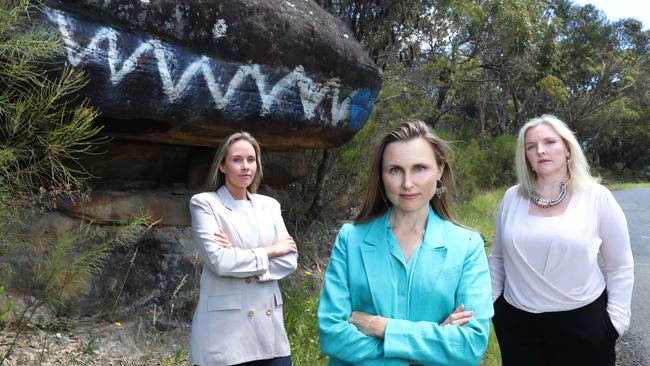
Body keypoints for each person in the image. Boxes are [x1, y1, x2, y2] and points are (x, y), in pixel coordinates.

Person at [317, 120, 493, 366]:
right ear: (382, 174)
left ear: (439, 169)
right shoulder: (351, 239)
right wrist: (420, 354)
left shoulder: (467, 246)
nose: (407, 183)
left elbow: (469, 345)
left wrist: (382, 327)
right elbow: (333, 334)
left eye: (420, 168)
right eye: (395, 170)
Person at [489, 114, 634, 366]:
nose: (540, 151)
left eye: (550, 142)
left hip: (584, 325)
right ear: (526, 157)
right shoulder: (512, 198)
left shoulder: (597, 197)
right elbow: (498, 260)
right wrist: (492, 307)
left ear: (568, 149)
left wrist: (616, 322)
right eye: (531, 146)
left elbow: (620, 265)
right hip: (517, 326)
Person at [189, 131, 298, 366]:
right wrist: (270, 250)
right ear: (222, 166)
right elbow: (220, 261)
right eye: (237, 159)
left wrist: (239, 256)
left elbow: (289, 260)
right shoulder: (205, 203)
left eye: (251, 159)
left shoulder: (269, 205)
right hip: (226, 334)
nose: (245, 166)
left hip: (270, 333)